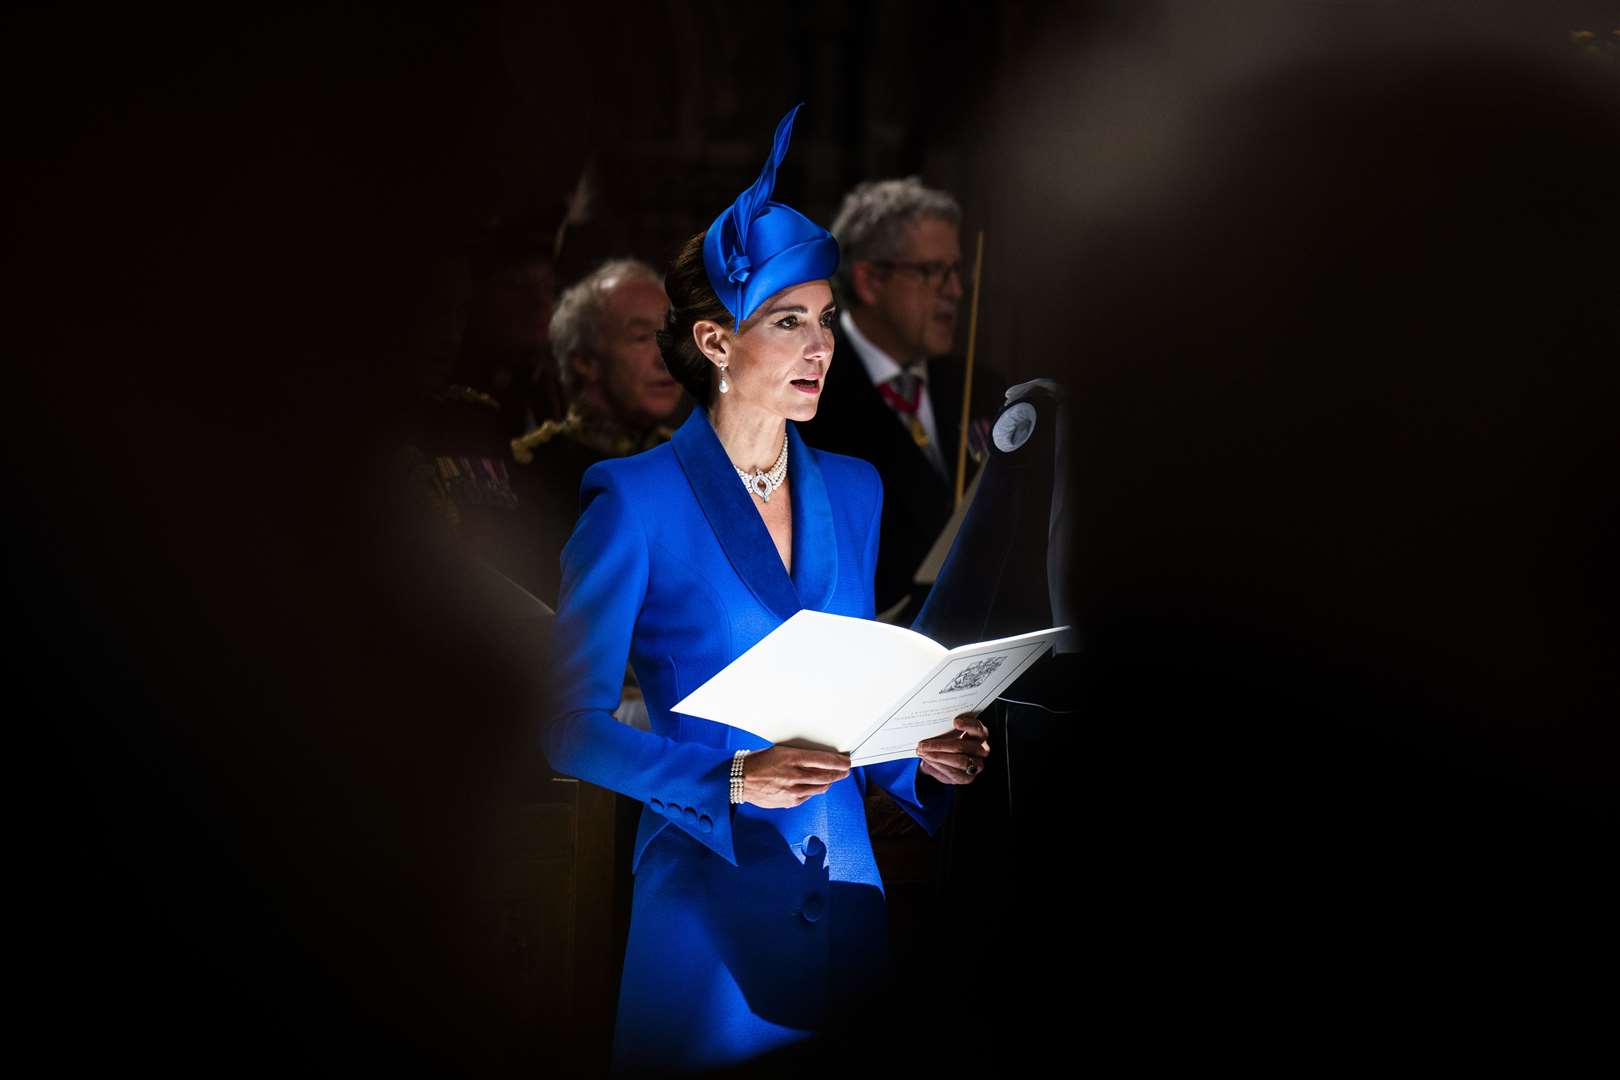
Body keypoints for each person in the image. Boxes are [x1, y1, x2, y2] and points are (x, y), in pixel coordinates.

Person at [543, 105, 991, 1074]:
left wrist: (923, 755)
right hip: (706, 919)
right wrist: (727, 779)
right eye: (788, 323)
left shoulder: (855, 488)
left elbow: (853, 694)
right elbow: (560, 722)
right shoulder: (633, 501)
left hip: (854, 915)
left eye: (825, 323)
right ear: (713, 341)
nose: (818, 347)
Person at [800, 177, 1007, 618]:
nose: (954, 291)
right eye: (932, 272)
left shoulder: (987, 389)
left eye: (956, 271)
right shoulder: (806, 394)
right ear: (871, 281)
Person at [510, 258, 685, 606]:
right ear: (585, 361)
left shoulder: (694, 466)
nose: (665, 357)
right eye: (640, 338)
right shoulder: (534, 470)